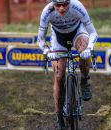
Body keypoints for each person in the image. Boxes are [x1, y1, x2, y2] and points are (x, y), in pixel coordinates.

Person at [37, 0, 98, 129]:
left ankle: (85, 79)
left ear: (69, 3)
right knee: (59, 76)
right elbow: (40, 39)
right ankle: (59, 117)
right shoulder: (47, 11)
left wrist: (89, 48)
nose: (61, 8)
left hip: (77, 32)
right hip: (58, 38)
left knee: (84, 50)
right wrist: (47, 51)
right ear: (53, 4)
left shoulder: (77, 6)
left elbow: (93, 33)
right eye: (58, 5)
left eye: (65, 4)